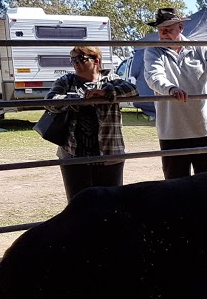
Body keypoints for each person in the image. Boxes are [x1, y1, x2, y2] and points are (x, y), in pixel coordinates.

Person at [143, 8, 207, 179]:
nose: (163, 33)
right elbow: (153, 77)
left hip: (205, 129)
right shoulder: (153, 51)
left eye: (168, 29)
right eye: (160, 29)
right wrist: (170, 88)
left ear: (181, 28)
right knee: (176, 187)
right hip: (172, 132)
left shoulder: (199, 47)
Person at [46, 45, 139, 200]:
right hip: (73, 154)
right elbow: (49, 101)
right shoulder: (66, 81)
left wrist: (106, 93)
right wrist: (75, 99)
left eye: (81, 59)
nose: (76, 63)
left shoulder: (111, 79)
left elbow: (133, 90)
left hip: (109, 153)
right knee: (78, 204)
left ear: (96, 60)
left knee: (111, 203)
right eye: (73, 60)